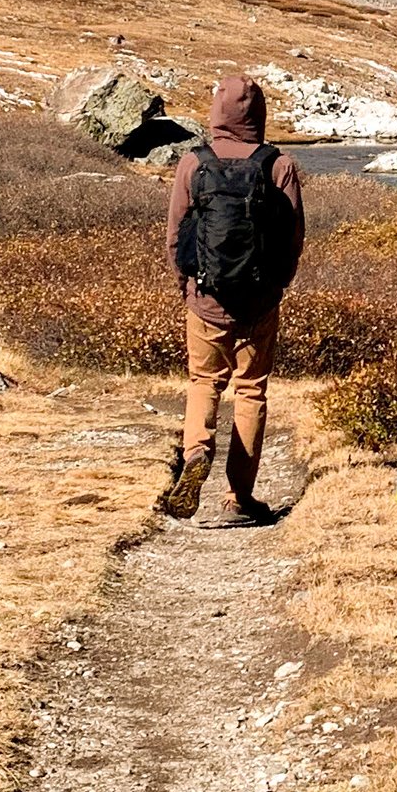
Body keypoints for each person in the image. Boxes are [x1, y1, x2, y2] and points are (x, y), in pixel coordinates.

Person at [157, 73, 305, 523]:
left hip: (205, 298)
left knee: (204, 381)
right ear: (259, 114)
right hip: (259, 302)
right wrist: (277, 287)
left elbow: (175, 236)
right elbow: (293, 238)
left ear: (217, 113)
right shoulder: (278, 165)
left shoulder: (193, 163)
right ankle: (239, 498)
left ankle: (197, 453)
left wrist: (187, 288)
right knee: (251, 391)